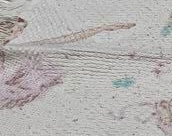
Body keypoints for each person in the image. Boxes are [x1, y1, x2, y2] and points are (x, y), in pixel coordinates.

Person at [0, 18, 134, 109]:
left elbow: (63, 40)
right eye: (17, 30)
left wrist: (102, 28)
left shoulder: (20, 50)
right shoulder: (15, 53)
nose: (19, 33)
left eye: (20, 30)